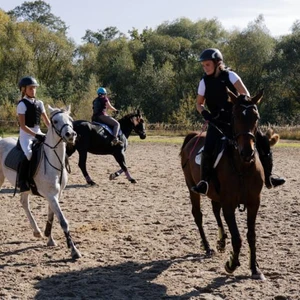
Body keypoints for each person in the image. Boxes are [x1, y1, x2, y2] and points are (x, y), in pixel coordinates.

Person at [191, 48, 285, 195]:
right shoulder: (204, 82)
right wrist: (205, 113)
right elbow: (199, 103)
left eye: (207, 64)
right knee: (208, 148)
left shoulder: (230, 76)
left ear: (217, 63)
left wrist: (238, 106)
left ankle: (269, 177)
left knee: (263, 142)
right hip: (216, 121)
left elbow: (245, 94)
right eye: (203, 65)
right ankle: (204, 182)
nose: (205, 68)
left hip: (237, 120)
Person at [17, 76, 50, 192]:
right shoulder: (22, 104)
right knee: (29, 153)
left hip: (38, 131)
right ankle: (22, 181)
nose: (33, 90)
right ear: (24, 90)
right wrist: (35, 135)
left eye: (34, 88)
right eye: (30, 88)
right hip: (26, 134)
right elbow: (22, 126)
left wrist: (53, 132)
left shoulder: (40, 103)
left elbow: (46, 121)